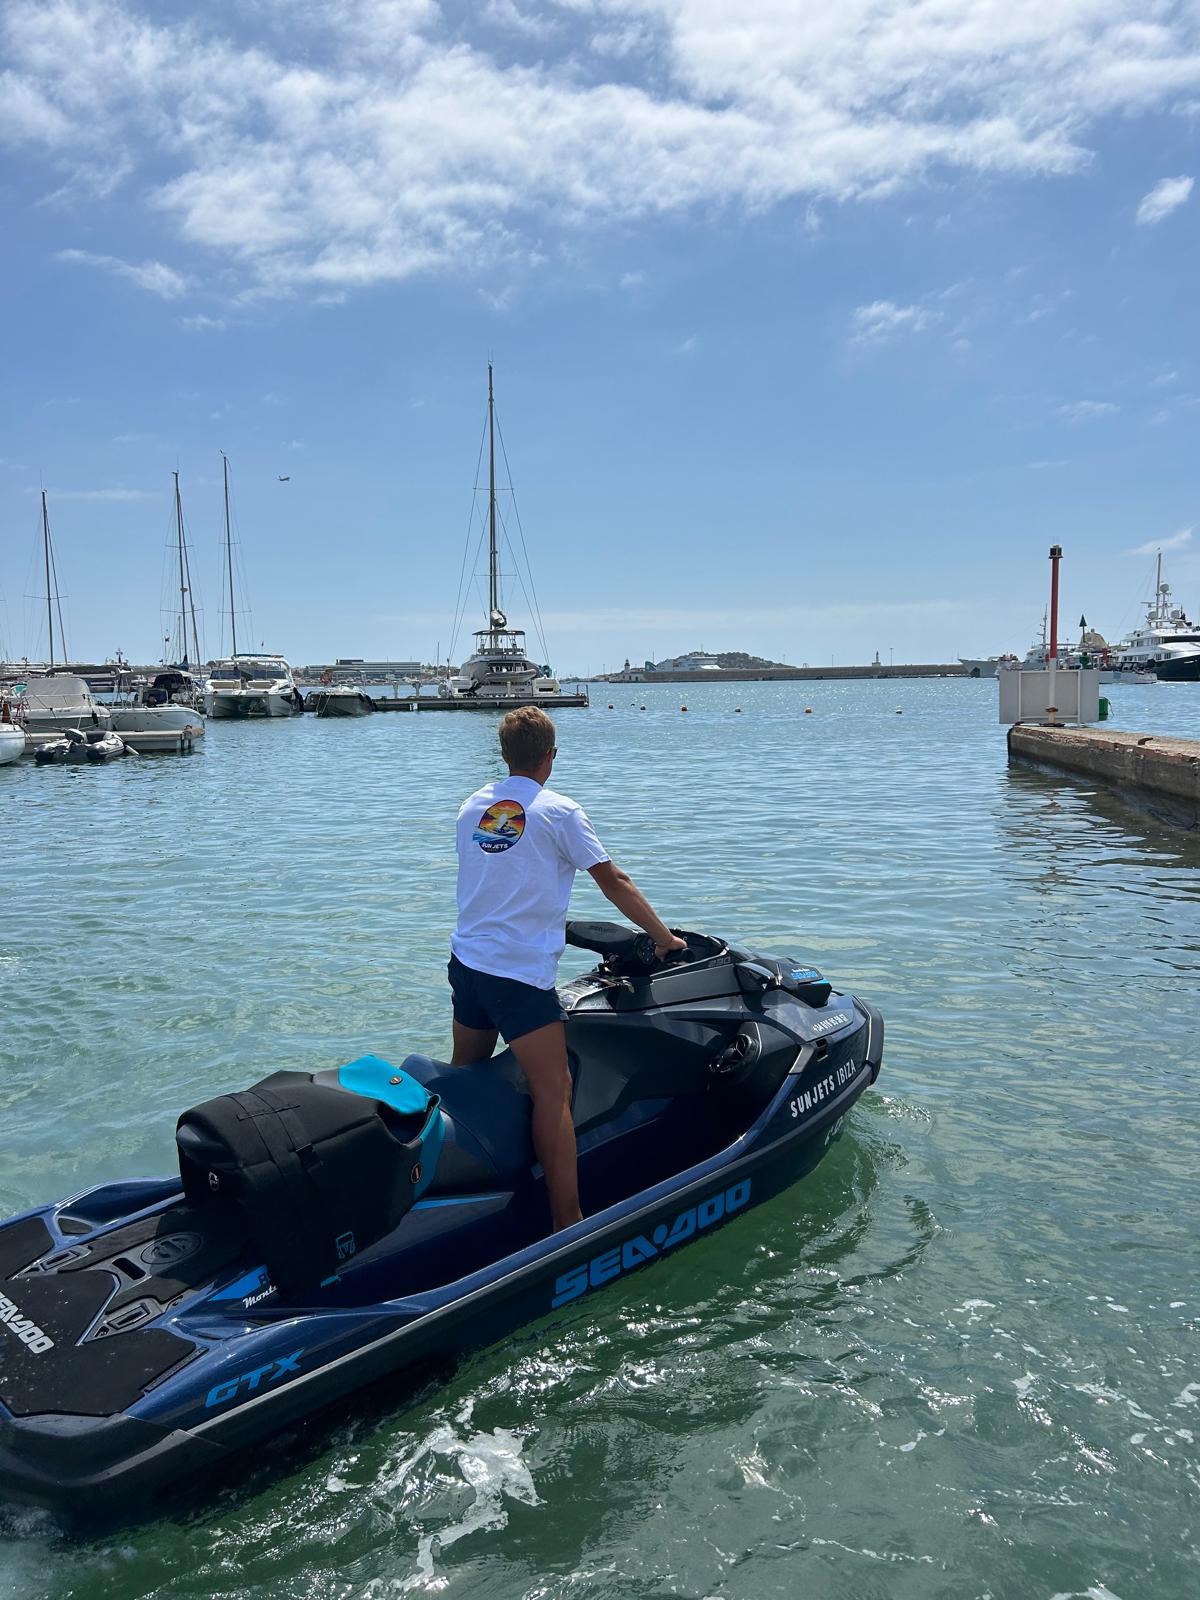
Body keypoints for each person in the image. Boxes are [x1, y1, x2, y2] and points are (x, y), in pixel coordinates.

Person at [449, 705, 685, 1231]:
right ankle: (567, 1221)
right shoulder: (559, 811)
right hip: (518, 977)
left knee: (464, 1078)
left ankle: (463, 1193)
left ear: (504, 754)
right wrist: (663, 937)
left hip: (467, 964)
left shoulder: (473, 807)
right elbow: (613, 880)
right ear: (550, 757)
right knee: (554, 1092)